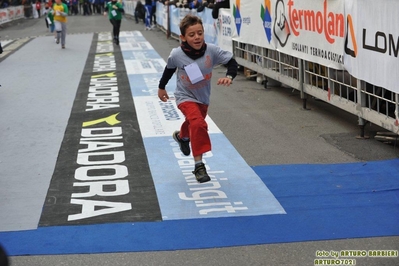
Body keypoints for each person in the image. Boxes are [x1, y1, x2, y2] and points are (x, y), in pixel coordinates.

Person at [158, 14, 238, 183]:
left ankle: (182, 136)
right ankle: (199, 166)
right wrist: (161, 87)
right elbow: (169, 69)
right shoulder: (177, 54)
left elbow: (232, 61)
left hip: (203, 98)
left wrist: (229, 77)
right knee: (198, 123)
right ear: (183, 37)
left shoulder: (212, 51)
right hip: (184, 96)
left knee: (194, 123)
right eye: (192, 35)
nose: (197, 37)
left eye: (200, 33)